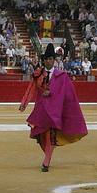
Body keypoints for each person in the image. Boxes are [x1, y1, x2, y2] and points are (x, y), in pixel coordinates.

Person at [19, 43, 87, 172]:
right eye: (46, 59)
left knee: (50, 135)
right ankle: (48, 156)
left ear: (54, 60)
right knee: (41, 137)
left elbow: (68, 94)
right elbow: (31, 89)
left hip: (54, 112)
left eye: (51, 59)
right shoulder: (38, 74)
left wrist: (53, 94)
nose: (48, 61)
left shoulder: (61, 76)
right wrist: (24, 103)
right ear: (44, 60)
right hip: (41, 110)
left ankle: (46, 162)